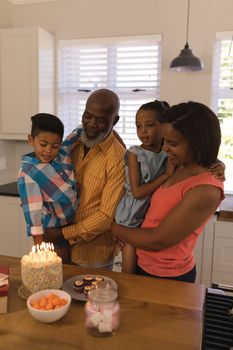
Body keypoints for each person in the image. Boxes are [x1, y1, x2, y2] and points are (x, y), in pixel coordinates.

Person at [112, 101, 225, 283]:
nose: (165, 148)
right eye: (165, 140)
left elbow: (157, 240)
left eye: (172, 143)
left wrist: (115, 229)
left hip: (167, 275)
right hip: (143, 263)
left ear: (196, 145)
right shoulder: (179, 163)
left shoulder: (206, 190)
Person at [43, 89, 125, 269]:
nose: (91, 124)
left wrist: (62, 234)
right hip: (58, 248)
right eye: (87, 116)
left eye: (101, 120)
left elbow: (106, 216)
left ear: (115, 121)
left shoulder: (117, 158)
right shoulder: (72, 144)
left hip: (93, 255)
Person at [115, 100, 177, 273]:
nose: (142, 131)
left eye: (149, 125)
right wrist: (166, 175)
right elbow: (137, 192)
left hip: (152, 210)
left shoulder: (169, 151)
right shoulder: (135, 154)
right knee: (130, 249)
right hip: (133, 210)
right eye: (138, 126)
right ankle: (128, 285)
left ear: (164, 126)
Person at [17, 113, 81, 263]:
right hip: (51, 235)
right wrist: (41, 254)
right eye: (43, 144)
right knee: (57, 274)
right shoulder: (28, 174)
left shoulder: (62, 154)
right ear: (31, 140)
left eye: (55, 146)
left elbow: (78, 132)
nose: (48, 151)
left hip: (71, 228)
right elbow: (34, 218)